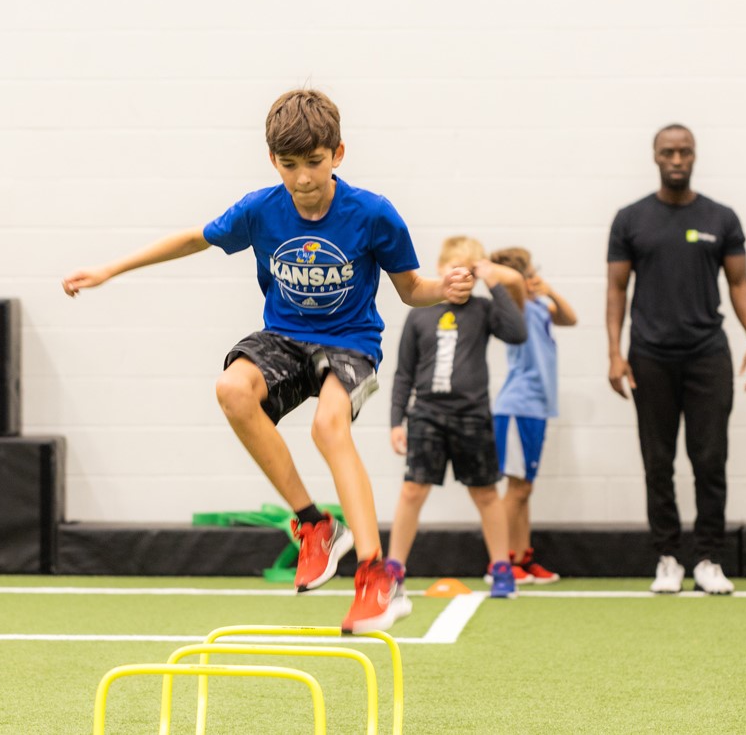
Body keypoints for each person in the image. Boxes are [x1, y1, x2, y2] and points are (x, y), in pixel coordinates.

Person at [61, 88, 474, 633]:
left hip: (350, 342)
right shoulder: (262, 209)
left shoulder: (373, 214)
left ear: (339, 154)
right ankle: (314, 525)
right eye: (289, 165)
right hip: (283, 336)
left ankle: (377, 578)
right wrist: (110, 270)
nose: (302, 179)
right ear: (272, 160)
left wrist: (443, 288)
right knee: (232, 390)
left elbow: (411, 288)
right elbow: (194, 238)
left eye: (314, 163)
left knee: (329, 429)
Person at [606, 123, 746, 595]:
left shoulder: (722, 217)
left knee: (710, 458)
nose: (677, 159)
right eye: (668, 152)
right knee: (658, 459)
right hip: (649, 355)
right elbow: (616, 289)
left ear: (694, 157)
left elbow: (739, 285)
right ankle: (668, 558)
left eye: (685, 152)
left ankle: (710, 558)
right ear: (655, 157)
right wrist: (614, 352)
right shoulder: (630, 219)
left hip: (707, 355)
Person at [387, 236, 527, 600]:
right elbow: (404, 373)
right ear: (440, 270)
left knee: (485, 493)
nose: (460, 278)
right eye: (453, 270)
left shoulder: (482, 310)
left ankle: (500, 567)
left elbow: (517, 332)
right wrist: (395, 421)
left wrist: (493, 281)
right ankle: (393, 568)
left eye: (469, 272)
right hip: (428, 416)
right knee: (412, 490)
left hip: (472, 416)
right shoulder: (420, 313)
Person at [489, 247, 577, 584]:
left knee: (524, 488)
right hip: (517, 407)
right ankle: (501, 561)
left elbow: (570, 318)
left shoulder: (539, 304)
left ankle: (523, 559)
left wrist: (549, 288)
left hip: (537, 407)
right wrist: (515, 278)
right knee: (515, 490)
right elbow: (509, 284)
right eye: (529, 271)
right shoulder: (516, 307)